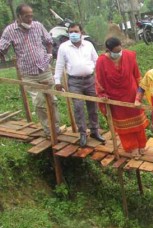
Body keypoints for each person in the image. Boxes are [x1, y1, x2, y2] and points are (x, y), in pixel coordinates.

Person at [0, 3, 61, 137]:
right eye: (27, 16)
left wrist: (49, 54)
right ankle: (48, 130)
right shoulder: (10, 30)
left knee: (52, 100)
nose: (30, 19)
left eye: (31, 16)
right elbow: (2, 48)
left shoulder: (37, 26)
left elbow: (49, 40)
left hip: (44, 69)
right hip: (29, 74)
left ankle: (56, 128)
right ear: (19, 16)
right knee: (39, 102)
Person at [95, 37, 148, 159]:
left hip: (132, 95)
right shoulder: (101, 61)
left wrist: (141, 93)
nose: (119, 52)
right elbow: (99, 80)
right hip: (116, 99)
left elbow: (137, 74)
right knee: (124, 127)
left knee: (138, 123)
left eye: (120, 50)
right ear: (108, 50)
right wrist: (102, 94)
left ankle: (141, 146)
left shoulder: (129, 56)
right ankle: (132, 148)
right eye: (116, 51)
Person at [54, 23, 104, 147]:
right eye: (71, 32)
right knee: (78, 107)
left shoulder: (88, 45)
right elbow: (59, 64)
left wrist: (100, 78)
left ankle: (94, 131)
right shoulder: (64, 47)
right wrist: (57, 81)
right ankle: (82, 133)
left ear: (81, 32)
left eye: (75, 31)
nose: (73, 34)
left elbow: (97, 61)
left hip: (90, 80)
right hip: (74, 82)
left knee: (93, 107)